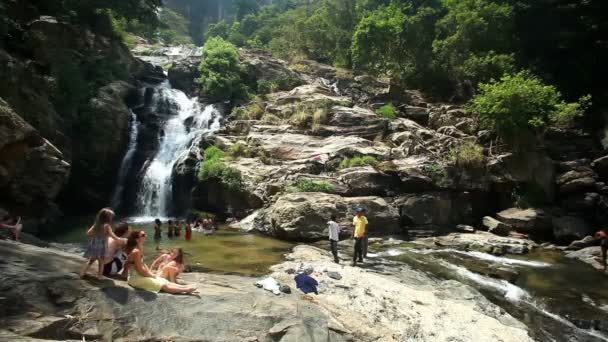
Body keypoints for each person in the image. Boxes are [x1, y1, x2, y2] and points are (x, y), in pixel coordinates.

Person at [125, 230, 196, 294]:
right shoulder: (136, 252)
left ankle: (185, 287)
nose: (146, 236)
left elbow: (143, 264)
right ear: (137, 239)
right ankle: (186, 290)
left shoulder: (140, 249)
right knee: (162, 285)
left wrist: (151, 273)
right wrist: (150, 275)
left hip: (141, 276)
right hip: (136, 279)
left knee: (164, 281)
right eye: (143, 235)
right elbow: (139, 269)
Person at [80, 208, 121, 279]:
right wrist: (118, 239)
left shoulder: (96, 224)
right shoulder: (107, 226)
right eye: (111, 217)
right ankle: (100, 276)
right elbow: (112, 235)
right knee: (101, 262)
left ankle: (82, 273)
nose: (111, 218)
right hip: (102, 246)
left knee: (91, 260)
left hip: (94, 245)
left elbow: (88, 233)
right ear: (107, 218)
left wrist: (96, 235)